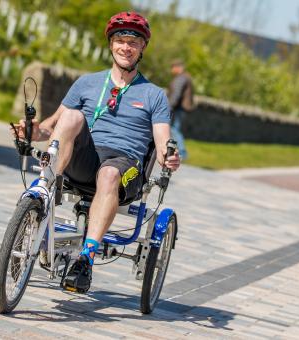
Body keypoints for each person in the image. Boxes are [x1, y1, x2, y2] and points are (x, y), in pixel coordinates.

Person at [12, 11, 180, 293]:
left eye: (133, 42)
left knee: (110, 174)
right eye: (120, 40)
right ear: (111, 44)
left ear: (142, 49)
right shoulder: (86, 83)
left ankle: (85, 259)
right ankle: (45, 188)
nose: (126, 47)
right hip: (86, 159)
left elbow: (163, 141)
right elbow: (53, 127)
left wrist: (169, 156)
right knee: (73, 117)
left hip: (124, 165)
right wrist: (31, 132)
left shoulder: (154, 95)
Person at [167, 59, 194, 161]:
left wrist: (169, 107)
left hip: (178, 108)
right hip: (180, 108)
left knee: (174, 129)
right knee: (174, 129)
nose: (171, 70)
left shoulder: (181, 78)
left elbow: (176, 95)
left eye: (173, 67)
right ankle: (178, 152)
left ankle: (182, 153)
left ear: (178, 68)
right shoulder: (184, 77)